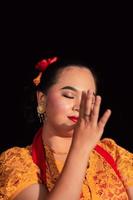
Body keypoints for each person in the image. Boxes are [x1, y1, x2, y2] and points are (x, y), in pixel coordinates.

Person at [0, 56, 133, 200]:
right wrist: (81, 148)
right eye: (69, 95)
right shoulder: (18, 162)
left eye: (89, 99)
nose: (79, 106)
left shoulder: (113, 153)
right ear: (42, 100)